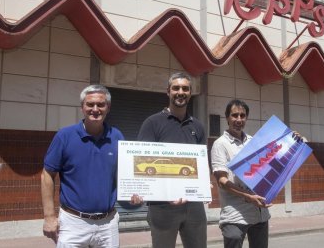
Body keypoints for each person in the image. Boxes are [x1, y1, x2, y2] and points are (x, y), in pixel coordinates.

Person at [41, 84, 124, 248]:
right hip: (73, 223)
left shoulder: (117, 136)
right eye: (90, 104)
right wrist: (49, 216)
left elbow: (124, 175)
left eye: (100, 104)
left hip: (108, 224)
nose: (95, 109)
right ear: (82, 107)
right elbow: (47, 174)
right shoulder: (64, 136)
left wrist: (134, 194)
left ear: (108, 107)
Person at [134, 72, 207, 248]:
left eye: (185, 88)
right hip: (162, 206)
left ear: (190, 93)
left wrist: (205, 183)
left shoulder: (197, 126)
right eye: (176, 88)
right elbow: (142, 160)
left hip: (193, 204)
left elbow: (202, 164)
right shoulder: (152, 123)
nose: (180, 92)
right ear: (168, 92)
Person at [211, 99, 272, 248]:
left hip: (259, 214)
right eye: (235, 115)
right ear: (227, 118)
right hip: (235, 216)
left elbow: (271, 161)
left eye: (242, 116)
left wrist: (293, 140)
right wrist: (248, 197)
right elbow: (221, 181)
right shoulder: (220, 144)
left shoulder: (253, 141)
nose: (239, 119)